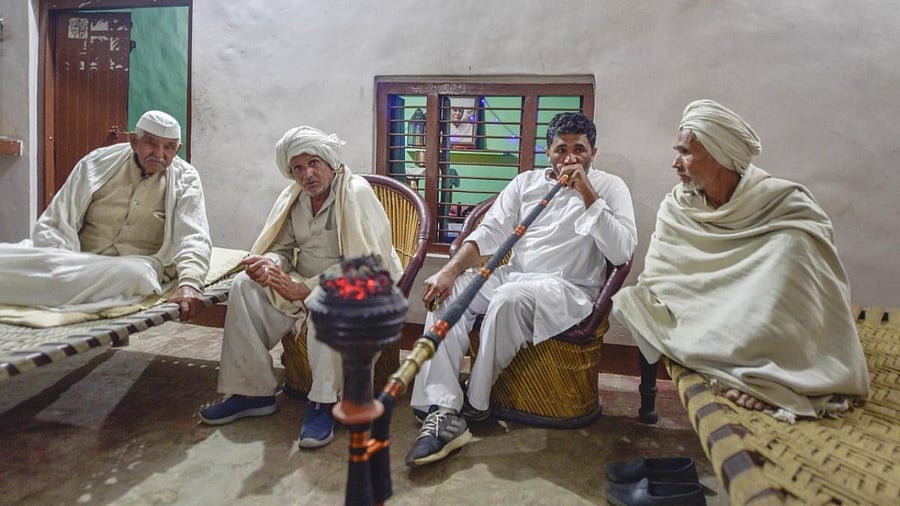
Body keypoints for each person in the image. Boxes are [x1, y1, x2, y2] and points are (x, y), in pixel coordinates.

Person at [405, 112, 637, 467]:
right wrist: (448, 272)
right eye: (561, 149)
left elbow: (621, 251)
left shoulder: (609, 186)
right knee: (451, 294)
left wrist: (586, 192)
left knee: (506, 300)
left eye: (580, 149)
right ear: (548, 152)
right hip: (515, 275)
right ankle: (441, 407)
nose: (570, 157)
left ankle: (476, 403)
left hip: (569, 288)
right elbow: (489, 234)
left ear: (594, 152)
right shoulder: (525, 183)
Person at [613, 99, 869, 419]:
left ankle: (773, 374)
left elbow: (804, 285)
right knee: (632, 302)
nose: (675, 163)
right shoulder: (677, 207)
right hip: (702, 308)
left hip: (761, 319)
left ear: (720, 157)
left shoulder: (785, 204)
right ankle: (737, 360)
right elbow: (662, 278)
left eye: (686, 152)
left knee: (793, 250)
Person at [198, 126, 403, 450]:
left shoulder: (356, 192)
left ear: (329, 162)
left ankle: (324, 403)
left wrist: (305, 289)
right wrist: (272, 265)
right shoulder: (293, 197)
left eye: (313, 163)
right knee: (245, 286)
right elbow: (280, 247)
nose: (306, 173)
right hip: (301, 283)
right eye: (297, 167)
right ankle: (252, 393)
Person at [0, 110, 211, 319]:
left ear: (178, 149)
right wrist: (58, 259)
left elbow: (193, 236)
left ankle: (48, 285)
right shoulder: (97, 162)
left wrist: (190, 283)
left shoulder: (186, 179)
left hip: (132, 266)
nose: (159, 153)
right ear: (133, 142)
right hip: (77, 259)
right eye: (151, 143)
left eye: (169, 147)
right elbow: (57, 220)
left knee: (138, 276)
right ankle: (57, 282)